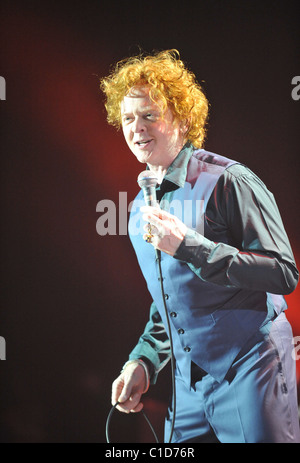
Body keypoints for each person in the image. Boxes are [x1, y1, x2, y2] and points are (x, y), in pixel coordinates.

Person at [100, 49, 300, 443]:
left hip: (250, 366)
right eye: (127, 118)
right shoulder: (140, 209)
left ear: (184, 118)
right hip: (188, 383)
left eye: (149, 115)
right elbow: (170, 304)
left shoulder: (229, 181)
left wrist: (193, 248)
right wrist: (144, 360)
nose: (136, 128)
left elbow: (283, 272)